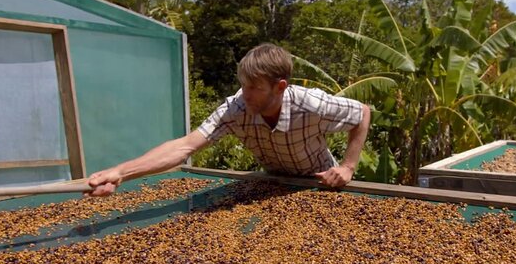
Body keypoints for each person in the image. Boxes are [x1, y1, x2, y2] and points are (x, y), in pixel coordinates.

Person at [87, 43, 370, 197]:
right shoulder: (236, 109)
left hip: (322, 186)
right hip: (273, 186)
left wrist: (347, 166)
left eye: (255, 88)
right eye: (243, 85)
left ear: (280, 87)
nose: (245, 95)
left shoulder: (311, 103)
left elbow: (362, 113)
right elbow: (184, 147)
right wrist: (122, 172)